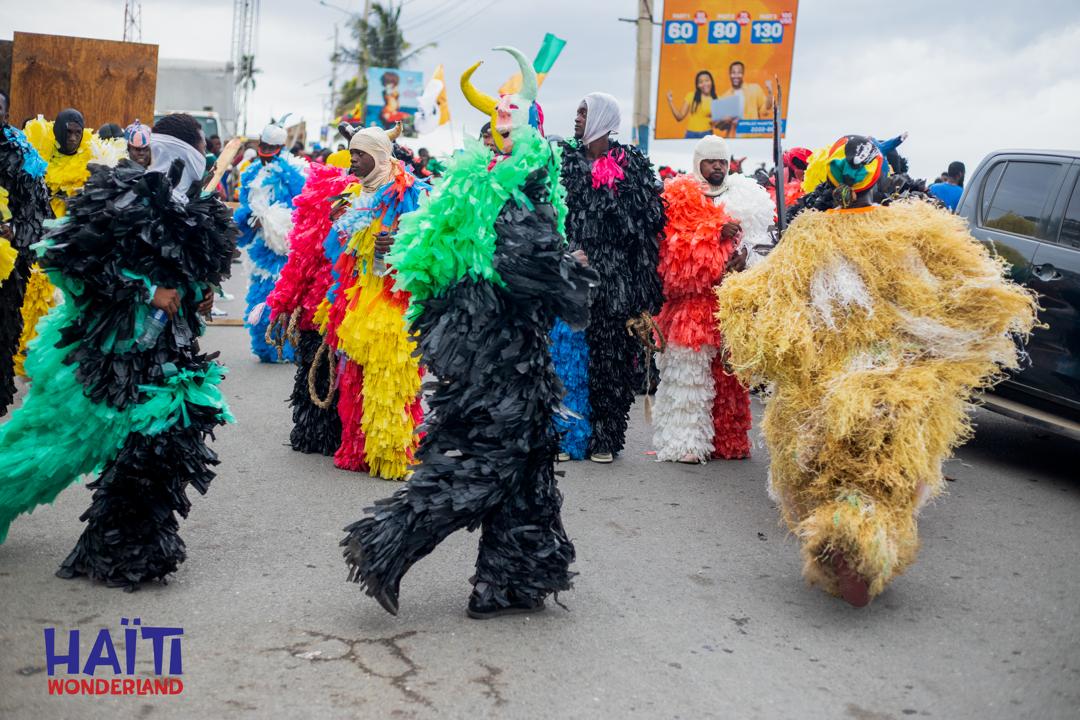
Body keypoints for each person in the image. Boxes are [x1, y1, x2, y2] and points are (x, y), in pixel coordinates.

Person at [715, 135, 1037, 606]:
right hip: (893, 380)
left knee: (817, 473)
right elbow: (967, 289)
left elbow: (766, 303)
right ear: (878, 179)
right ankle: (864, 541)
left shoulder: (809, 236)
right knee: (886, 477)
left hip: (820, 386)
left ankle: (842, 538)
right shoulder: (908, 230)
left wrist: (738, 289)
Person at [341, 47, 597, 619]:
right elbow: (519, 264)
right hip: (498, 354)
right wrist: (570, 270)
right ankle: (384, 543)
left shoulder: (494, 184)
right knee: (486, 466)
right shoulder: (509, 189)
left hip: (506, 349)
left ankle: (513, 581)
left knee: (529, 467)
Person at [0, 113, 237, 588]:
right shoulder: (123, 195)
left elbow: (188, 278)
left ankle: (127, 548)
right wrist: (147, 292)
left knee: (166, 440)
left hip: (166, 356)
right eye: (195, 151)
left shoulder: (195, 209)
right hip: (105, 356)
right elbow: (69, 261)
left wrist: (199, 295)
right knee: (51, 449)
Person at [551, 91, 665, 463]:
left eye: (584, 112)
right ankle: (567, 435)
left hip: (615, 278)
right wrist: (562, 255)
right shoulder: (562, 161)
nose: (577, 117)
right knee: (568, 355)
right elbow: (548, 216)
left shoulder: (631, 165)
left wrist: (642, 292)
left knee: (611, 359)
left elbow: (646, 232)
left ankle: (605, 437)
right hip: (570, 273)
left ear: (602, 118)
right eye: (577, 111)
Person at [314, 122, 429, 479]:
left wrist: (401, 243)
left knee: (390, 377)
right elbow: (342, 253)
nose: (353, 160)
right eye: (351, 154)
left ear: (379, 156)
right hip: (359, 296)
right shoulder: (354, 193)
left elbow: (433, 240)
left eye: (360, 154)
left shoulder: (409, 192)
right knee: (354, 377)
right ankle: (358, 450)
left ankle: (391, 453)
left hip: (394, 299)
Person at [652, 135, 774, 463]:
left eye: (722, 161)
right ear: (698, 163)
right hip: (691, 307)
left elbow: (764, 246)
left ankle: (727, 441)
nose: (718, 166)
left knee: (730, 379)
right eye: (711, 161)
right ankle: (685, 443)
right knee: (688, 378)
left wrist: (746, 258)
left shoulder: (746, 197)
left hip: (731, 305)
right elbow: (671, 257)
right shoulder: (680, 198)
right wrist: (714, 236)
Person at [265, 149, 354, 456]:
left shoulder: (326, 201)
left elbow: (301, 261)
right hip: (341, 306)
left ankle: (316, 437)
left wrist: (285, 301)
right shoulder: (351, 200)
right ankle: (337, 437)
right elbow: (304, 259)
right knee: (335, 372)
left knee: (319, 371)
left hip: (328, 306)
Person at [234, 118, 308, 362]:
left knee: (284, 298)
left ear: (280, 148)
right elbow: (246, 205)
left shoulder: (292, 173)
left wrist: (273, 221)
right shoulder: (251, 172)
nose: (265, 153)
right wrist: (249, 220)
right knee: (259, 296)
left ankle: (285, 347)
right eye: (263, 147)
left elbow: (299, 207)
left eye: (271, 149)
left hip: (284, 248)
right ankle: (265, 346)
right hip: (261, 247)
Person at [0, 89, 49, 417]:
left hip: (6, 263)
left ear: (6, 115)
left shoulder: (22, 154)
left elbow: (38, 211)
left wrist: (15, 230)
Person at [714, 61, 773, 137]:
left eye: (739, 72)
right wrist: (727, 121)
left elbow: (764, 110)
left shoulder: (754, 89)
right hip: (734, 138)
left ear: (743, 74)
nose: (736, 76)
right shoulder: (725, 97)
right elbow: (720, 126)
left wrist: (770, 94)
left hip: (753, 137)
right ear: (729, 74)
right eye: (733, 72)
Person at [665, 70, 718, 139]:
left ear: (711, 82)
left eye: (707, 80)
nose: (704, 84)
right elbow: (679, 117)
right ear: (697, 85)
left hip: (707, 134)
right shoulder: (691, 96)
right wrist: (670, 101)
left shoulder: (717, 100)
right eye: (701, 82)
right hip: (691, 134)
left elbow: (718, 124)